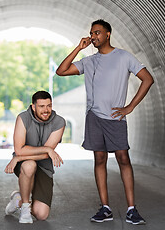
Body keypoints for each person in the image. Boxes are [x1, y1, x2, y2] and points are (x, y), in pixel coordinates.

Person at [56, 19, 154, 225]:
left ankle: (131, 209)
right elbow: (61, 71)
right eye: (92, 33)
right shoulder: (88, 61)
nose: (94, 36)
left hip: (115, 118)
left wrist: (130, 106)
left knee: (123, 159)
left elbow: (148, 79)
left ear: (108, 34)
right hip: (94, 117)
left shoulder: (123, 57)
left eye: (98, 33)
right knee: (99, 160)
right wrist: (78, 48)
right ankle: (105, 208)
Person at [4, 91, 65, 223]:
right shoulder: (23, 118)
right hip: (25, 164)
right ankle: (25, 207)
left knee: (41, 214)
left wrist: (17, 158)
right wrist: (47, 149)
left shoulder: (59, 122)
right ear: (33, 107)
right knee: (29, 164)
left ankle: (18, 199)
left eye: (49, 106)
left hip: (44, 168)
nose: (46, 110)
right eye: (41, 106)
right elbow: (19, 150)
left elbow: (44, 155)